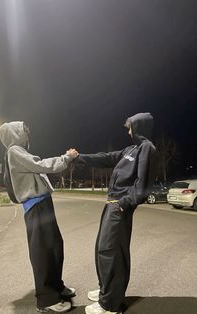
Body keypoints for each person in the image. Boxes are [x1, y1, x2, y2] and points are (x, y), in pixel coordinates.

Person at [74, 113, 156, 314]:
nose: (129, 132)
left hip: (120, 206)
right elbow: (106, 158)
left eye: (131, 128)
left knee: (112, 254)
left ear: (139, 128)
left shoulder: (147, 149)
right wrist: (80, 157)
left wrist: (125, 202)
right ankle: (107, 290)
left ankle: (110, 305)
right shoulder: (131, 149)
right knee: (103, 250)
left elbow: (144, 185)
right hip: (111, 205)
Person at [0, 121, 78, 313]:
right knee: (43, 252)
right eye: (24, 132)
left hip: (43, 203)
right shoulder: (14, 151)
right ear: (16, 135)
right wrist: (66, 157)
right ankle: (46, 299)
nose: (27, 136)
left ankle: (57, 287)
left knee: (54, 247)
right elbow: (41, 165)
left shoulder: (18, 151)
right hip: (35, 206)